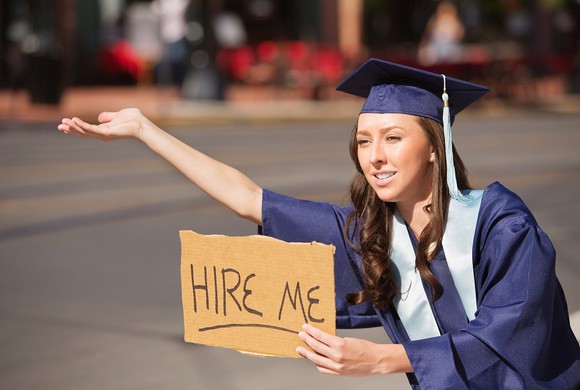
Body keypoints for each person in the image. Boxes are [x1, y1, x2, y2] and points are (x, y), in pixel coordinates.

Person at [57, 58, 580, 389]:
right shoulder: (372, 236)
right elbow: (249, 200)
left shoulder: (501, 226)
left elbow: (512, 332)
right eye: (363, 140)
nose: (374, 155)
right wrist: (146, 130)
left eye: (393, 138)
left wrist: (382, 360)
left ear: (435, 149)